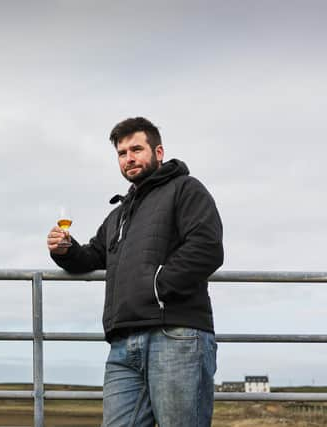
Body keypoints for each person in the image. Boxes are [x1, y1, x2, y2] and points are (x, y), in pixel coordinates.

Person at [47, 117, 223, 426]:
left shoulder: (186, 189)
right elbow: (92, 256)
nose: (129, 158)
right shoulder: (120, 213)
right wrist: (65, 250)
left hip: (175, 335)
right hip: (123, 344)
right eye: (122, 152)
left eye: (136, 149)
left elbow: (207, 248)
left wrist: (156, 286)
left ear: (158, 152)